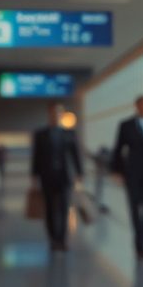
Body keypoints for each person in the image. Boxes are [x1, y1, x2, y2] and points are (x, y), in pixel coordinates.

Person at [110, 95, 143, 259]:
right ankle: (139, 243)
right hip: (132, 173)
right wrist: (117, 171)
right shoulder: (126, 125)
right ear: (137, 106)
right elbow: (118, 149)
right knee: (135, 208)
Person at [30, 101, 84, 252]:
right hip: (47, 176)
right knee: (49, 209)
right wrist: (34, 176)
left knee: (64, 208)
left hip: (65, 176)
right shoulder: (41, 134)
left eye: (58, 112)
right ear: (49, 114)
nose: (55, 115)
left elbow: (76, 155)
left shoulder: (69, 133)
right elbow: (36, 156)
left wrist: (79, 173)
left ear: (62, 114)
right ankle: (53, 238)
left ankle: (62, 239)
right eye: (53, 112)